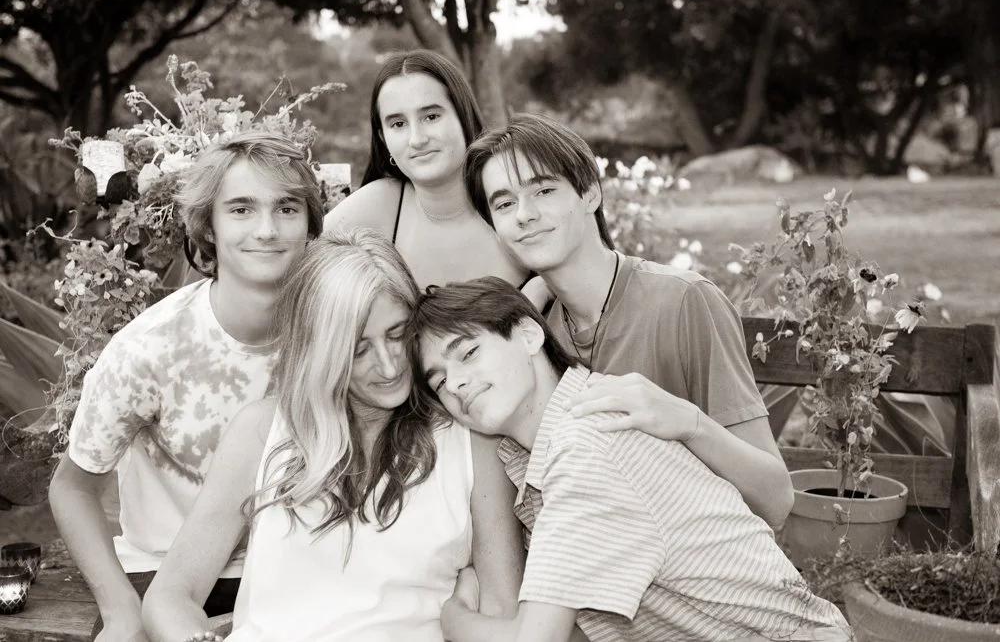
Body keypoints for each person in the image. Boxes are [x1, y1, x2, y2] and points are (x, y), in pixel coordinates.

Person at [409, 277, 853, 642]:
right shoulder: (550, 437)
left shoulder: (584, 445)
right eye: (440, 381)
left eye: (468, 353)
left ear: (528, 334)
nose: (458, 383)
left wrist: (454, 619)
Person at [141, 229, 524, 642]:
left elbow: (503, 611)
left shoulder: (470, 440)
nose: (391, 365)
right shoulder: (261, 430)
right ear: (321, 351)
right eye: (359, 349)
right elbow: (171, 594)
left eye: (398, 335)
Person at [48, 131, 326, 642]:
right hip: (166, 577)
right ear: (208, 228)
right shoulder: (151, 349)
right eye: (241, 209)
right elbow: (72, 486)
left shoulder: (334, 334)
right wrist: (120, 611)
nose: (267, 229)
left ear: (310, 224)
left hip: (299, 573)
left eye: (287, 208)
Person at [463, 113, 794, 528]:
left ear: (589, 195)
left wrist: (688, 424)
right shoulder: (531, 332)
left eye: (543, 190)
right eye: (504, 203)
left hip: (700, 564)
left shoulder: (684, 302)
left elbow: (776, 501)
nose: (524, 215)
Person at [322, 49, 556, 294]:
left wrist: (539, 290)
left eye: (431, 116)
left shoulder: (512, 197)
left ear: (462, 116)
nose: (417, 139)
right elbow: (296, 262)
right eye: (398, 124)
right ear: (383, 137)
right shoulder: (381, 204)